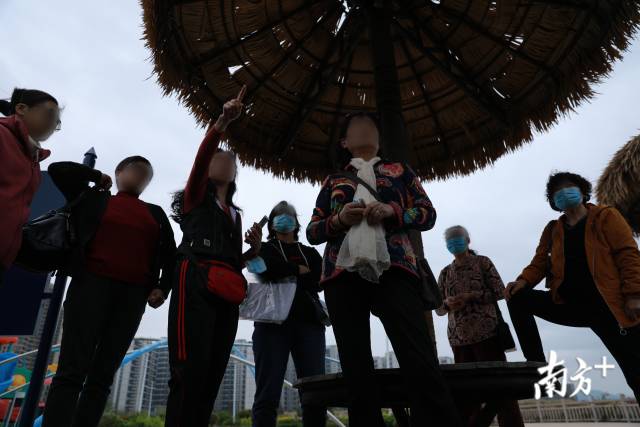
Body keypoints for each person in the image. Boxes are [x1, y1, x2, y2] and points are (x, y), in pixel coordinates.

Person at [306, 112, 461, 426]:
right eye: (357, 126)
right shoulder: (334, 179)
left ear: (379, 138)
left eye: (371, 126)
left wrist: (393, 210)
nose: (366, 128)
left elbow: (428, 214)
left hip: (396, 267)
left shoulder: (400, 170)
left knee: (418, 356)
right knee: (355, 364)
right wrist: (339, 219)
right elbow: (312, 231)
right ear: (344, 142)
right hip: (341, 273)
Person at [42, 156, 176, 427]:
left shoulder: (155, 213)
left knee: (102, 376)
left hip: (132, 297)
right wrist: (95, 176)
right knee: (71, 371)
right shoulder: (94, 199)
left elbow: (171, 256)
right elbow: (58, 170)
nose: (140, 177)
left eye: (146, 176)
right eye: (135, 171)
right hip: (89, 287)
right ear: (118, 173)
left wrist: (163, 288)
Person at [165, 86, 263, 427]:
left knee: (213, 372)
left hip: (227, 289)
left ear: (235, 174)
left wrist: (254, 251)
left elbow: (235, 261)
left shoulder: (235, 214)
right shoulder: (195, 197)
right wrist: (221, 122)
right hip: (194, 281)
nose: (223, 162)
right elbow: (201, 157)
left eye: (230, 162)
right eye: (217, 159)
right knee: (188, 370)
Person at [505, 172, 640, 403]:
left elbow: (627, 255)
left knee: (635, 371)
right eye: (556, 192)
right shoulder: (553, 230)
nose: (563, 193)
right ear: (553, 201)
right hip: (569, 304)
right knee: (518, 298)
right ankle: (537, 369)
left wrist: (634, 295)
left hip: (609, 307)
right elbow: (539, 263)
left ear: (583, 191)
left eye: (569, 187)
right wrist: (523, 281)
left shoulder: (606, 216)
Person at [436, 225, 524, 427]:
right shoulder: (445, 272)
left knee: (500, 387)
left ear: (467, 241)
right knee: (466, 392)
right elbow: (438, 308)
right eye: (450, 242)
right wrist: (448, 304)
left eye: (457, 240)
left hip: (488, 334)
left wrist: (471, 296)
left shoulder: (483, 262)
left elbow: (500, 291)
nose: (454, 245)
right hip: (459, 340)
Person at [251, 201, 327, 427]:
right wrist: (296, 270)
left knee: (315, 393)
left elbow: (319, 280)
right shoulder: (263, 249)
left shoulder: (310, 252)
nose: (285, 218)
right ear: (271, 224)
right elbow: (261, 270)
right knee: (267, 393)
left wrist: (281, 271)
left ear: (296, 222)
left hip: (310, 325)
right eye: (279, 215)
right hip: (270, 325)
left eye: (289, 215)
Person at [0, 88, 60, 285]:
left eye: (57, 122)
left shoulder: (32, 159)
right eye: (49, 114)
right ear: (21, 109)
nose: (53, 124)